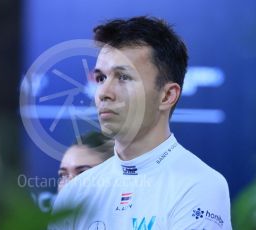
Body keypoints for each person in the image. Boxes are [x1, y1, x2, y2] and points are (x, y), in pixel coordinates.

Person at [49, 16, 232, 229]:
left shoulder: (201, 184)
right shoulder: (75, 191)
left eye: (123, 77)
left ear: (167, 96)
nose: (103, 93)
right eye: (101, 78)